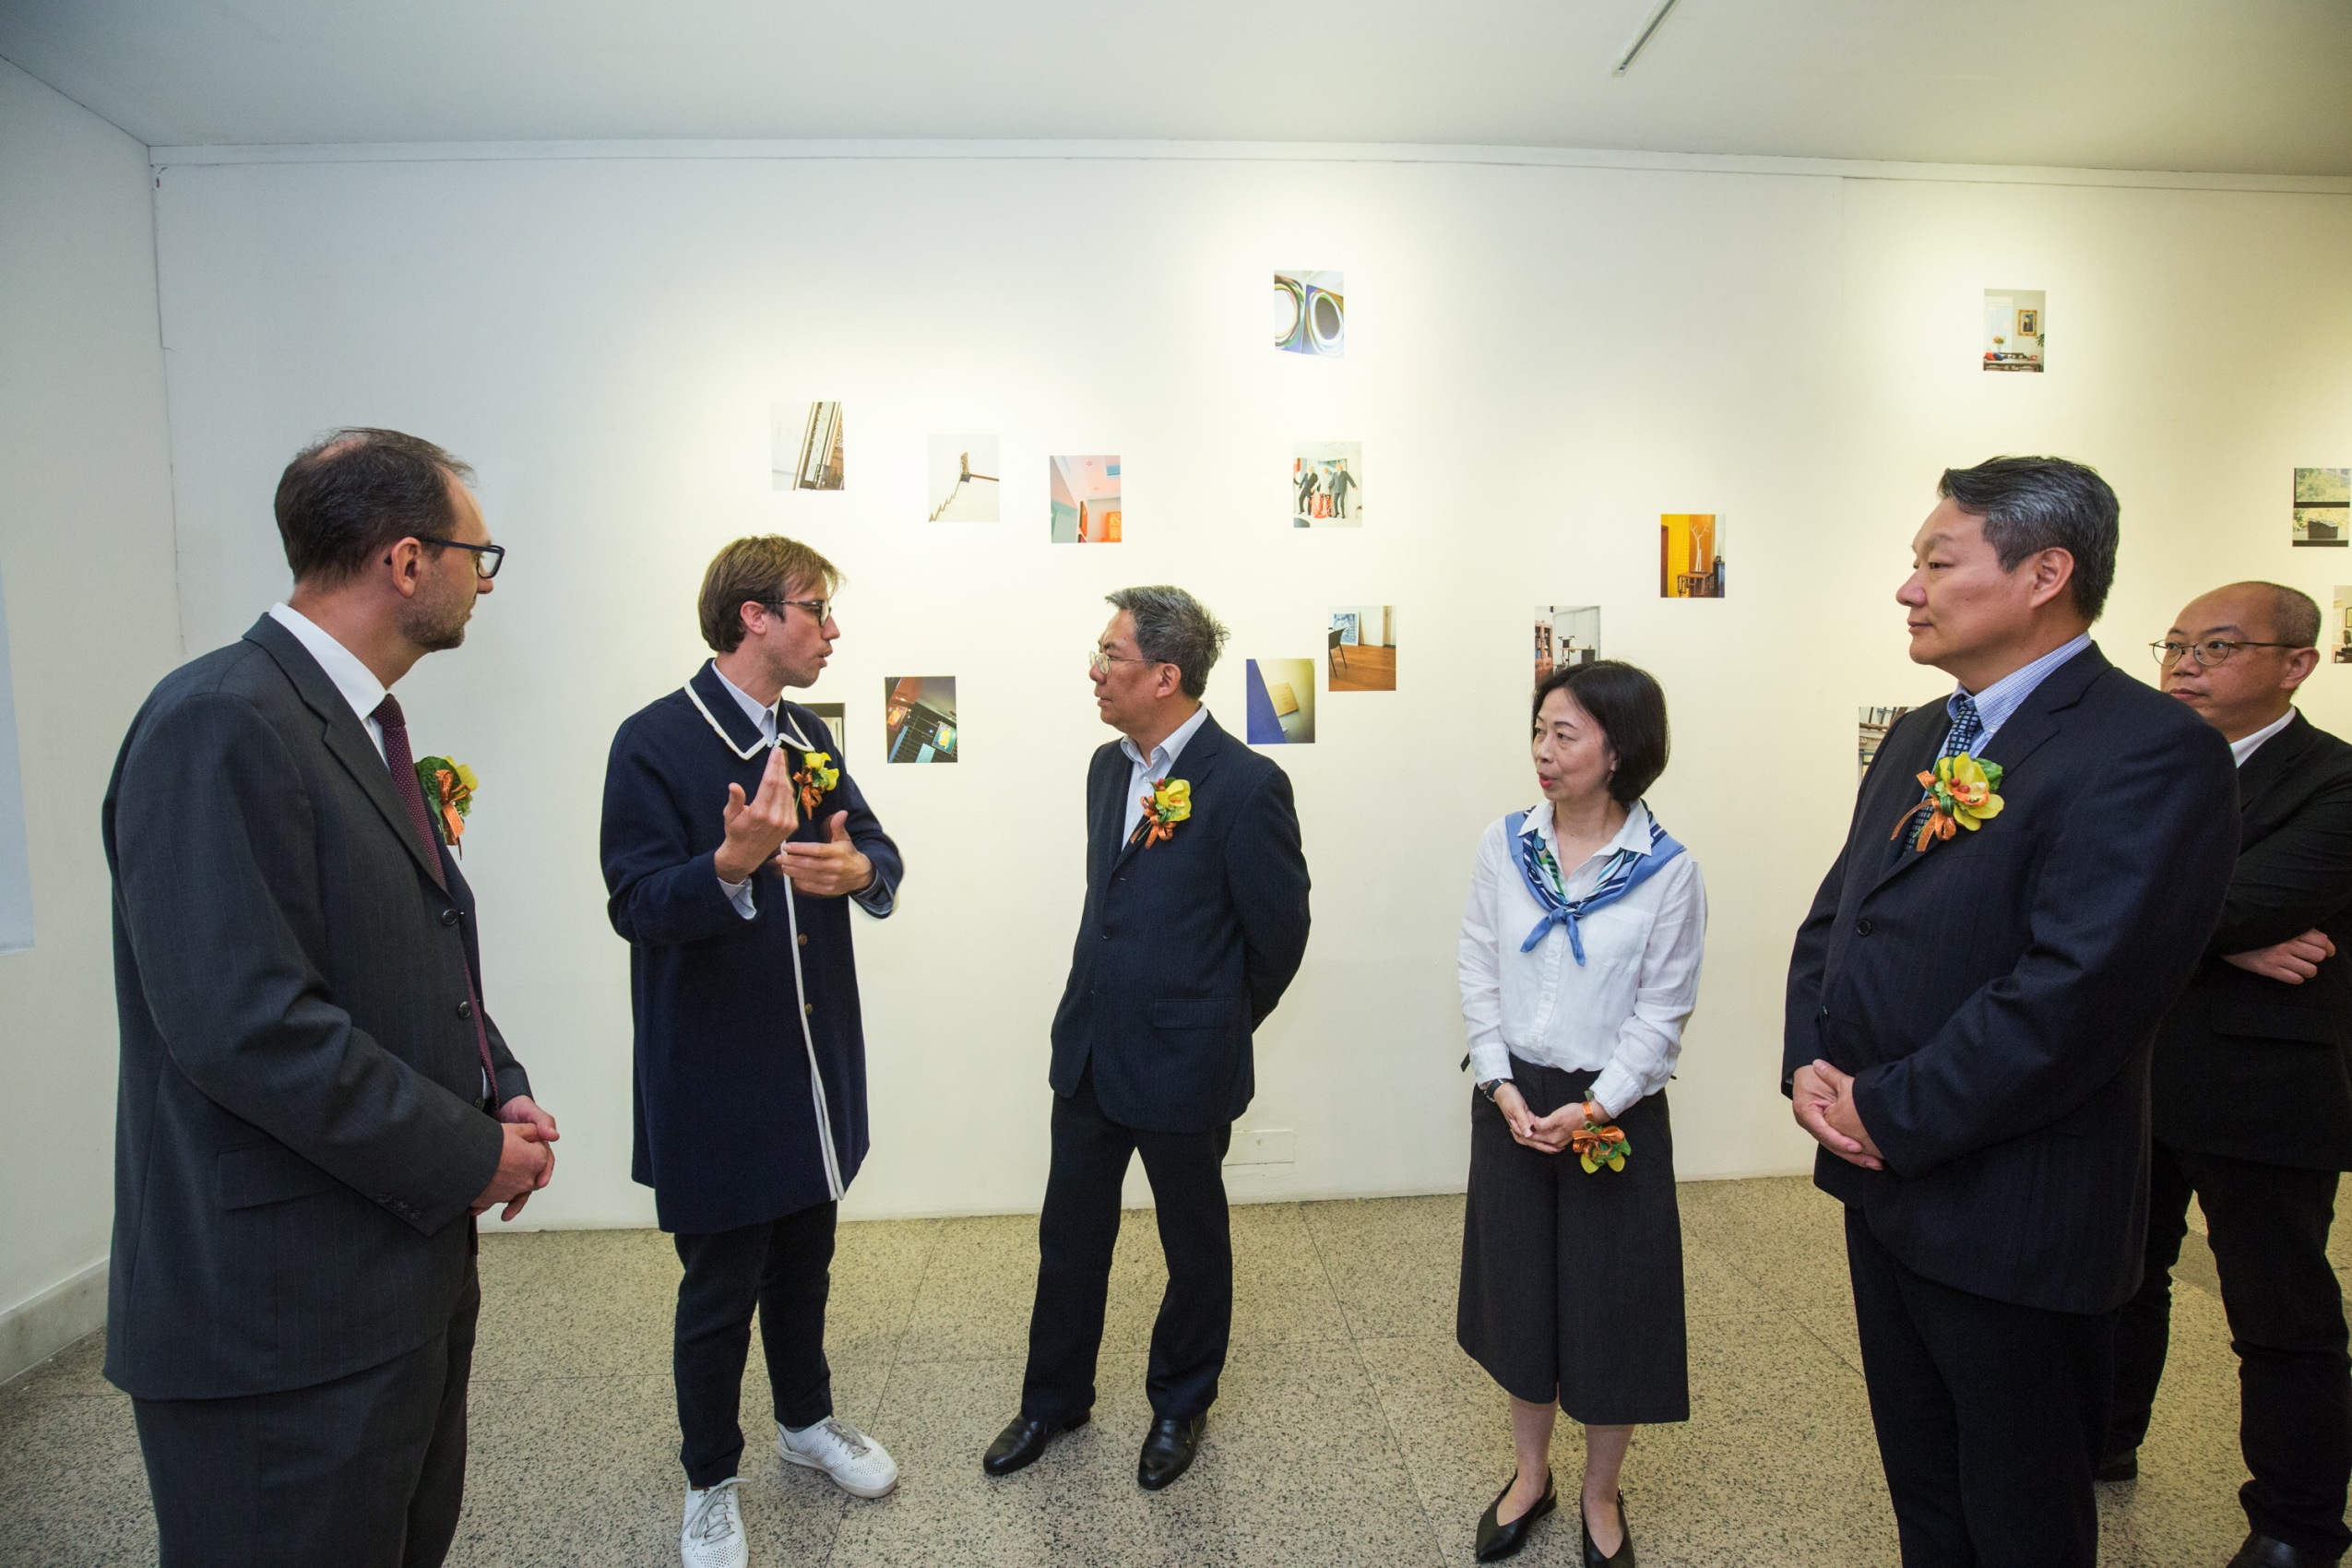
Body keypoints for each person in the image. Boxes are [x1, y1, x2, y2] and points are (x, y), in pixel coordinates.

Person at [101, 428, 555, 1567]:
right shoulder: (219, 719)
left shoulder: (347, 724)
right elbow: (248, 1027)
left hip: (388, 1281)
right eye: (477, 555)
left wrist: (497, 1087)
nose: (484, 582)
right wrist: (468, 1154)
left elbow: (415, 946)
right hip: (280, 1320)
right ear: (407, 560)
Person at [1782, 456, 2239, 1568]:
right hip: (1883, 1185)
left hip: (2016, 1205)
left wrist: (1886, 1108)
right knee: (1928, 1493)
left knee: (2022, 1511)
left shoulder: (2149, 748)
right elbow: (1841, 915)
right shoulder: (1919, 733)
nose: (1909, 588)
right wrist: (1810, 1065)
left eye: (1938, 562)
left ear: (2045, 573)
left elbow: (2078, 993)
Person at [600, 537, 905, 1568]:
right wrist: (728, 866)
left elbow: (877, 845)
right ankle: (708, 1480)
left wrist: (860, 867)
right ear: (753, 618)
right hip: (716, 1077)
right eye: (815, 609)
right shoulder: (653, 741)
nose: (832, 630)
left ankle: (805, 1422)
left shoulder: (808, 735)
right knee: (720, 1291)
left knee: (806, 1264)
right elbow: (635, 903)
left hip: (812, 1069)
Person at [983, 586, 1311, 1491]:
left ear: (1166, 675)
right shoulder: (1106, 768)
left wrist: (1215, 1022)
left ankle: (1180, 1402)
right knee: (1069, 1237)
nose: (1095, 670)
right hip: (1091, 1049)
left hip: (1186, 1063)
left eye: (1110, 654)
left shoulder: (1246, 784)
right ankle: (1054, 1399)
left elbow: (1280, 936)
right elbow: (1114, 904)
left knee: (1192, 1245)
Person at [2105, 582, 2352, 1568]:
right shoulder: (2145, 764)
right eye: (2174, 644)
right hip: (2136, 1070)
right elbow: (2067, 885)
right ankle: (2108, 1437)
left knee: (2279, 1313)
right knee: (2123, 1279)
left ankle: (2297, 1522)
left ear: (2296, 664)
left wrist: (2189, 921)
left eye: (2216, 646)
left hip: (2265, 1093)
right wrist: (2229, 938)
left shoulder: (2336, 781)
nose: (2185, 664)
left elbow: (2244, 899)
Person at [1456, 660, 1705, 1565]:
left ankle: (1602, 1493)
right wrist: (1500, 1084)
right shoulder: (1506, 845)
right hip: (1514, 1100)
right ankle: (1532, 1475)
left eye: (1564, 734)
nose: (1543, 750)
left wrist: (1596, 1104)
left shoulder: (1668, 872)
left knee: (1612, 1312)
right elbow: (1478, 965)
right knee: (1520, 1301)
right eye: (1539, 731)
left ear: (1619, 750)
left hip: (1614, 1110)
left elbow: (1663, 1013)